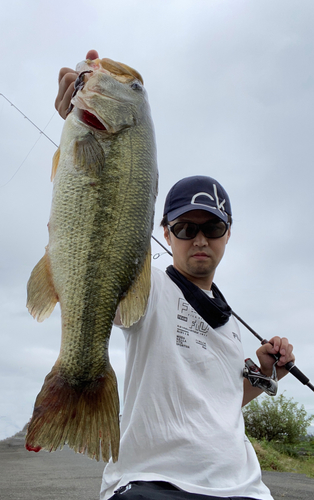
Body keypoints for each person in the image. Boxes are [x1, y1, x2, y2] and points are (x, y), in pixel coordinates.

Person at [55, 51, 295, 500]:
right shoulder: (150, 286)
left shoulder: (229, 325)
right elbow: (95, 235)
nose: (199, 239)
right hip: (152, 482)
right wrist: (75, 119)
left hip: (244, 486)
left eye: (212, 227)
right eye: (185, 228)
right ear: (165, 231)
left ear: (228, 235)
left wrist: (265, 374)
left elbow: (219, 400)